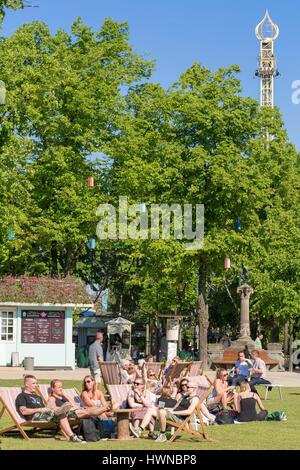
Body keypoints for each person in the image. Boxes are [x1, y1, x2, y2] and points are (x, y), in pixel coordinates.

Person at [15, 375, 85, 443]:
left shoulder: (37, 397)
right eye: (33, 383)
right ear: (27, 384)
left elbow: (46, 408)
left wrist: (48, 408)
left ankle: (76, 433)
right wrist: (39, 409)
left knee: (62, 411)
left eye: (36, 383)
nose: (36, 385)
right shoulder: (21, 396)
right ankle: (72, 436)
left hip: (45, 414)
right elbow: (24, 411)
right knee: (61, 413)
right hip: (34, 416)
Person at [130, 380, 200, 442]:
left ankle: (162, 434)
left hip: (181, 420)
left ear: (195, 389)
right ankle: (140, 429)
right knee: (151, 409)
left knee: (162, 411)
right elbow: (174, 408)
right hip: (174, 415)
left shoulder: (194, 399)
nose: (185, 388)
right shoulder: (184, 396)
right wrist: (168, 409)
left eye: (188, 387)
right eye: (185, 386)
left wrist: (173, 412)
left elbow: (189, 412)